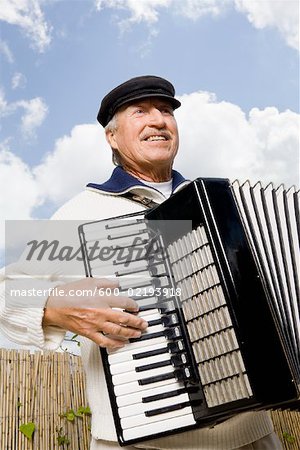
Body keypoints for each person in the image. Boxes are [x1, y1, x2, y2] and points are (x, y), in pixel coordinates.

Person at [0, 76, 283, 450]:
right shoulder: (77, 213)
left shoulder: (224, 206)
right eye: (140, 111)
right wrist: (52, 306)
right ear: (112, 137)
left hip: (252, 436)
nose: (158, 120)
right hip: (141, 441)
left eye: (165, 111)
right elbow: (9, 290)